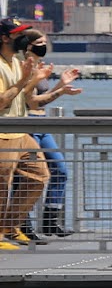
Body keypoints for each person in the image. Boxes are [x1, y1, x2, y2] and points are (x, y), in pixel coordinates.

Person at [0, 22, 53, 250]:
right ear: (4, 38)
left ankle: (9, 227)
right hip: (3, 135)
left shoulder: (15, 62)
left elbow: (26, 97)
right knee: (2, 185)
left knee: (38, 175)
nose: (22, 37)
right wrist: (24, 80)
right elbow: (2, 101)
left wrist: (35, 78)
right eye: (17, 34)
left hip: (22, 134)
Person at [23, 37, 79, 240]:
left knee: (60, 170)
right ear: (27, 45)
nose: (44, 45)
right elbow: (29, 102)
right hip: (26, 125)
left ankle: (50, 221)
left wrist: (61, 86)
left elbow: (42, 100)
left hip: (42, 124)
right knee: (25, 176)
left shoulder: (39, 67)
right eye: (39, 41)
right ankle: (23, 223)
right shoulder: (22, 67)